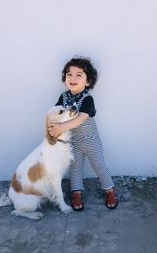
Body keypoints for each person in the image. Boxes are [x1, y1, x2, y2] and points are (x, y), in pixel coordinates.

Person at [48, 57, 118, 211]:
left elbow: (80, 119)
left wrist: (60, 127)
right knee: (75, 168)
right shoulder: (64, 97)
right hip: (73, 141)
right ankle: (77, 193)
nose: (72, 78)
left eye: (78, 75)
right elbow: (56, 113)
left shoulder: (88, 99)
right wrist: (53, 125)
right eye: (69, 74)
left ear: (88, 82)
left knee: (99, 165)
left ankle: (110, 191)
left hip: (91, 140)